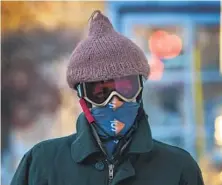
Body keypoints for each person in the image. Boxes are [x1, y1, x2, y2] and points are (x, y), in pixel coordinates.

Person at [11, 10, 204, 185]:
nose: (114, 101)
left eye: (125, 88)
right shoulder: (42, 164)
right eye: (100, 91)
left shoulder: (178, 168)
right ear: (82, 97)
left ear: (139, 91)